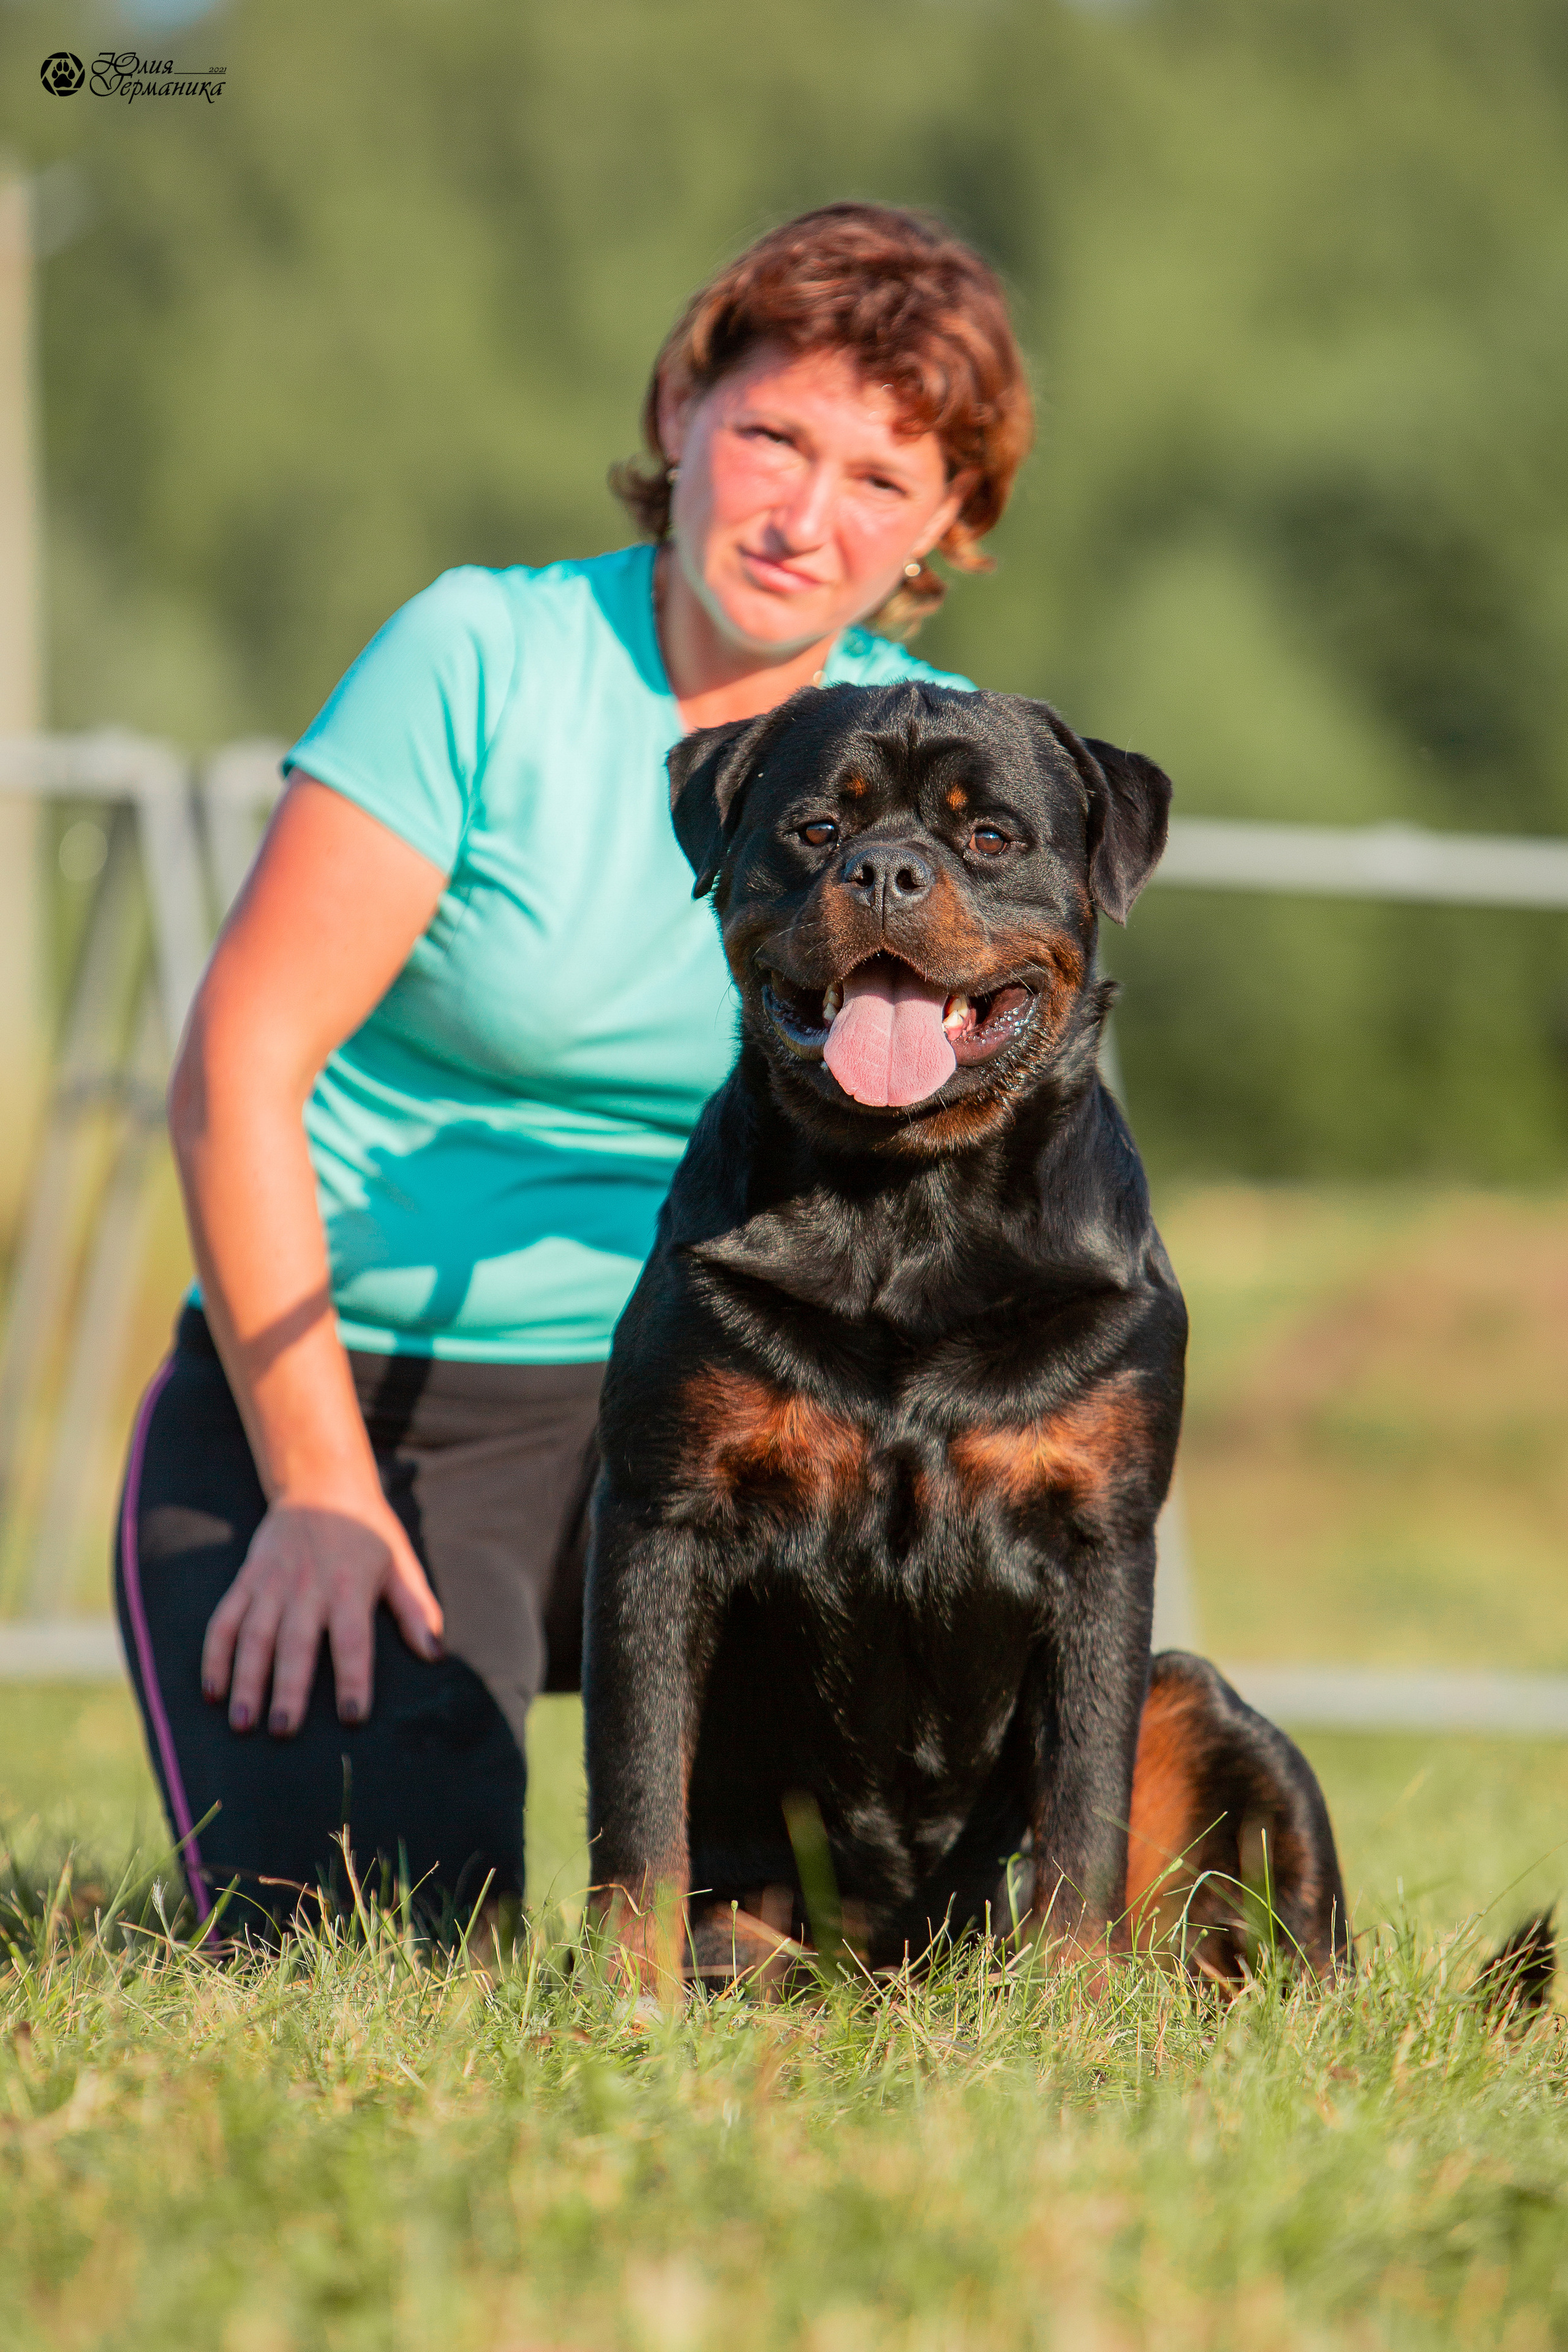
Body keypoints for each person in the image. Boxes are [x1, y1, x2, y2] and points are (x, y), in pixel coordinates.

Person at [114, 200, 1035, 1933]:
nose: (804, 515)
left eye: (879, 477)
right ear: (683, 414)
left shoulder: (933, 752)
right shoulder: (484, 655)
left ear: (948, 527)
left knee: (831, 1949)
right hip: (387, 1396)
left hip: (752, 1410)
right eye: (771, 434)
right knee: (365, 1946)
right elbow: (237, 1071)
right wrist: (314, 1488)